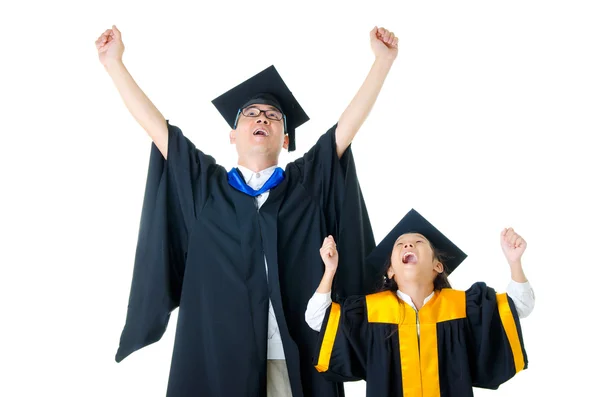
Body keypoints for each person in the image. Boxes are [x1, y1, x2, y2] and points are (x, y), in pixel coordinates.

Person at [95, 24, 398, 397]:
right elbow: (159, 131)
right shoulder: (207, 188)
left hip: (295, 356)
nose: (261, 119)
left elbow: (345, 129)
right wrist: (114, 64)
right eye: (251, 114)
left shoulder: (304, 186)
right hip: (218, 359)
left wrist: (381, 63)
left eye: (273, 117)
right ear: (233, 134)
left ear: (285, 139)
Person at [306, 208, 535, 397]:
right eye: (400, 244)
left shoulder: (462, 307)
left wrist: (515, 263)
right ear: (391, 271)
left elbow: (519, 307)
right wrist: (330, 270)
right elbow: (317, 319)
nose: (408, 245)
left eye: (418, 242)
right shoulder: (371, 311)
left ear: (438, 266)